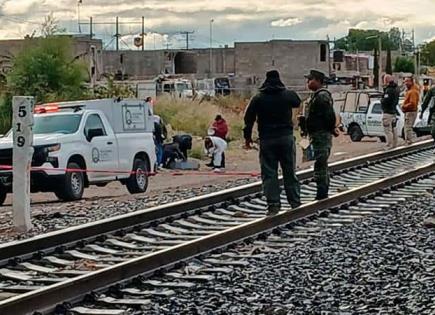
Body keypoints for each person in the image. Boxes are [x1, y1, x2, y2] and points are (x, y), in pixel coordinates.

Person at [243, 70, 301, 215]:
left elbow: (248, 119)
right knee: (289, 171)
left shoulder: (258, 98)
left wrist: (247, 137)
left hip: (267, 139)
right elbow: (297, 101)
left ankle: (273, 204)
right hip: (286, 138)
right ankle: (294, 202)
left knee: (269, 173)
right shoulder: (287, 95)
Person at [300, 69, 336, 200]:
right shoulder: (316, 96)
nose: (308, 82)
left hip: (321, 134)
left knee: (320, 163)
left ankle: (322, 193)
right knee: (320, 162)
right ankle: (321, 191)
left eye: (310, 80)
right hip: (316, 134)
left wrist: (330, 129)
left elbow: (329, 116)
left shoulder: (322, 96)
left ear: (318, 81)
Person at [380, 75, 400, 149]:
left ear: (386, 81)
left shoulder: (389, 90)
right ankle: (395, 144)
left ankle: (389, 144)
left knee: (387, 129)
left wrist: (381, 100)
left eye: (384, 80)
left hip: (387, 112)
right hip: (393, 112)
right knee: (394, 129)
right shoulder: (396, 89)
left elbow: (385, 101)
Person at [402, 77, 420, 144]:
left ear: (411, 82)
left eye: (407, 81)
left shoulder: (412, 91)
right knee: (408, 127)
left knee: (408, 127)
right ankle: (408, 141)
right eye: (405, 81)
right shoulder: (410, 90)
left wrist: (404, 106)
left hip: (410, 112)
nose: (405, 83)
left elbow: (413, 103)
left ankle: (409, 141)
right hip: (410, 111)